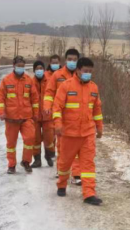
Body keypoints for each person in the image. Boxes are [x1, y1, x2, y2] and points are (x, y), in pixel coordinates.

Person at [53, 57, 104, 205]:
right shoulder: (66, 86)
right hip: (69, 134)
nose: (88, 73)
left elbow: (97, 109)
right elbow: (57, 107)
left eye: (90, 71)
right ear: (78, 70)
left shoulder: (94, 88)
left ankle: (89, 193)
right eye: (85, 71)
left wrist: (99, 126)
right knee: (64, 163)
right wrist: (57, 124)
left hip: (87, 134)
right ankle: (62, 184)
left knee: (88, 164)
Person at [43, 48, 82, 182]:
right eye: (70, 59)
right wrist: (47, 106)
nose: (72, 62)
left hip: (78, 118)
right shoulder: (57, 75)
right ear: (65, 60)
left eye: (75, 60)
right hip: (61, 117)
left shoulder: (81, 75)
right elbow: (49, 93)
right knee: (62, 147)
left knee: (78, 148)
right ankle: (61, 170)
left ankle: (76, 174)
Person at [0, 56, 39, 174]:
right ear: (13, 66)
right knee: (11, 144)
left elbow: (35, 98)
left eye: (22, 66)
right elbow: (1, 98)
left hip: (27, 117)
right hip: (11, 119)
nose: (21, 68)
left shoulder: (29, 80)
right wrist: (1, 112)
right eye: (18, 66)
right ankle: (11, 165)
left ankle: (26, 161)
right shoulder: (6, 80)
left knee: (30, 139)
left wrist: (35, 113)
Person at [31, 60, 54, 168]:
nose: (39, 70)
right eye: (37, 69)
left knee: (49, 138)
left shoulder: (50, 81)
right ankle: (37, 160)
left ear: (44, 70)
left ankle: (48, 156)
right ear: (34, 70)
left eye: (41, 68)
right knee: (35, 139)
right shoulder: (30, 82)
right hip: (34, 116)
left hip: (48, 115)